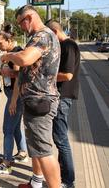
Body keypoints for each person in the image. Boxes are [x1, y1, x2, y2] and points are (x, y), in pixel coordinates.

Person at [1, 5, 61, 188]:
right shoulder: (42, 36)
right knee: (35, 146)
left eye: (21, 23)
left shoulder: (42, 36)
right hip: (35, 99)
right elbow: (28, 70)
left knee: (43, 151)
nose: (21, 27)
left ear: (29, 17)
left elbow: (25, 59)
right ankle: (36, 182)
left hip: (39, 100)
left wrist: (9, 56)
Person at [0, 30, 28, 175]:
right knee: (16, 126)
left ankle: (6, 163)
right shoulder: (10, 54)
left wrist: (13, 101)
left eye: (0, 42)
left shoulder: (16, 54)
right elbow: (9, 74)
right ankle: (22, 153)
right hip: (13, 95)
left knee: (7, 129)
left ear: (9, 40)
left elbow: (18, 76)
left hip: (15, 96)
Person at [47, 21, 80, 188]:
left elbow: (67, 75)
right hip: (62, 97)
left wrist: (47, 75)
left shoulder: (68, 45)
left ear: (54, 31)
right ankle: (62, 174)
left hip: (62, 97)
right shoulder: (65, 45)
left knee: (60, 139)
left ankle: (68, 181)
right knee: (60, 138)